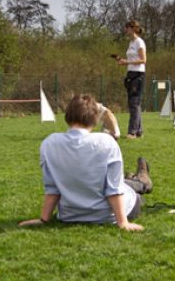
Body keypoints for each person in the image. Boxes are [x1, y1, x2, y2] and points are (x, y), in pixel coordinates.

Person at [19, 94, 152, 231]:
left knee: (123, 182)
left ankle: (138, 179)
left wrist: (43, 219)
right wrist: (123, 223)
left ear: (68, 116)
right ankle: (142, 181)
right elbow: (114, 189)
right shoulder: (106, 142)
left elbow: (52, 187)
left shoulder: (49, 144)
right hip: (108, 214)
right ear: (95, 119)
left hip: (70, 215)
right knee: (132, 192)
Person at [117, 19, 146, 139]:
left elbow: (143, 60)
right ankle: (139, 131)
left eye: (127, 28)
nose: (125, 30)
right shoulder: (131, 43)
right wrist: (122, 61)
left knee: (134, 103)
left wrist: (127, 62)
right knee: (133, 103)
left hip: (138, 75)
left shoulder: (139, 42)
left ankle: (132, 132)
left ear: (133, 28)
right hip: (130, 74)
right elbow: (131, 59)